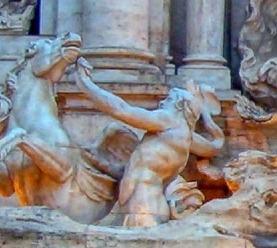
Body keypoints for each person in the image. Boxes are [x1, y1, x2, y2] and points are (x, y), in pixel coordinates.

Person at [74, 61, 225, 228]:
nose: (161, 104)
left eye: (168, 100)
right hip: (153, 203)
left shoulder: (168, 120)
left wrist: (86, 85)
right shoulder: (187, 137)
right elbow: (215, 146)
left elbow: (121, 110)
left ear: (179, 105)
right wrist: (207, 117)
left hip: (142, 204)